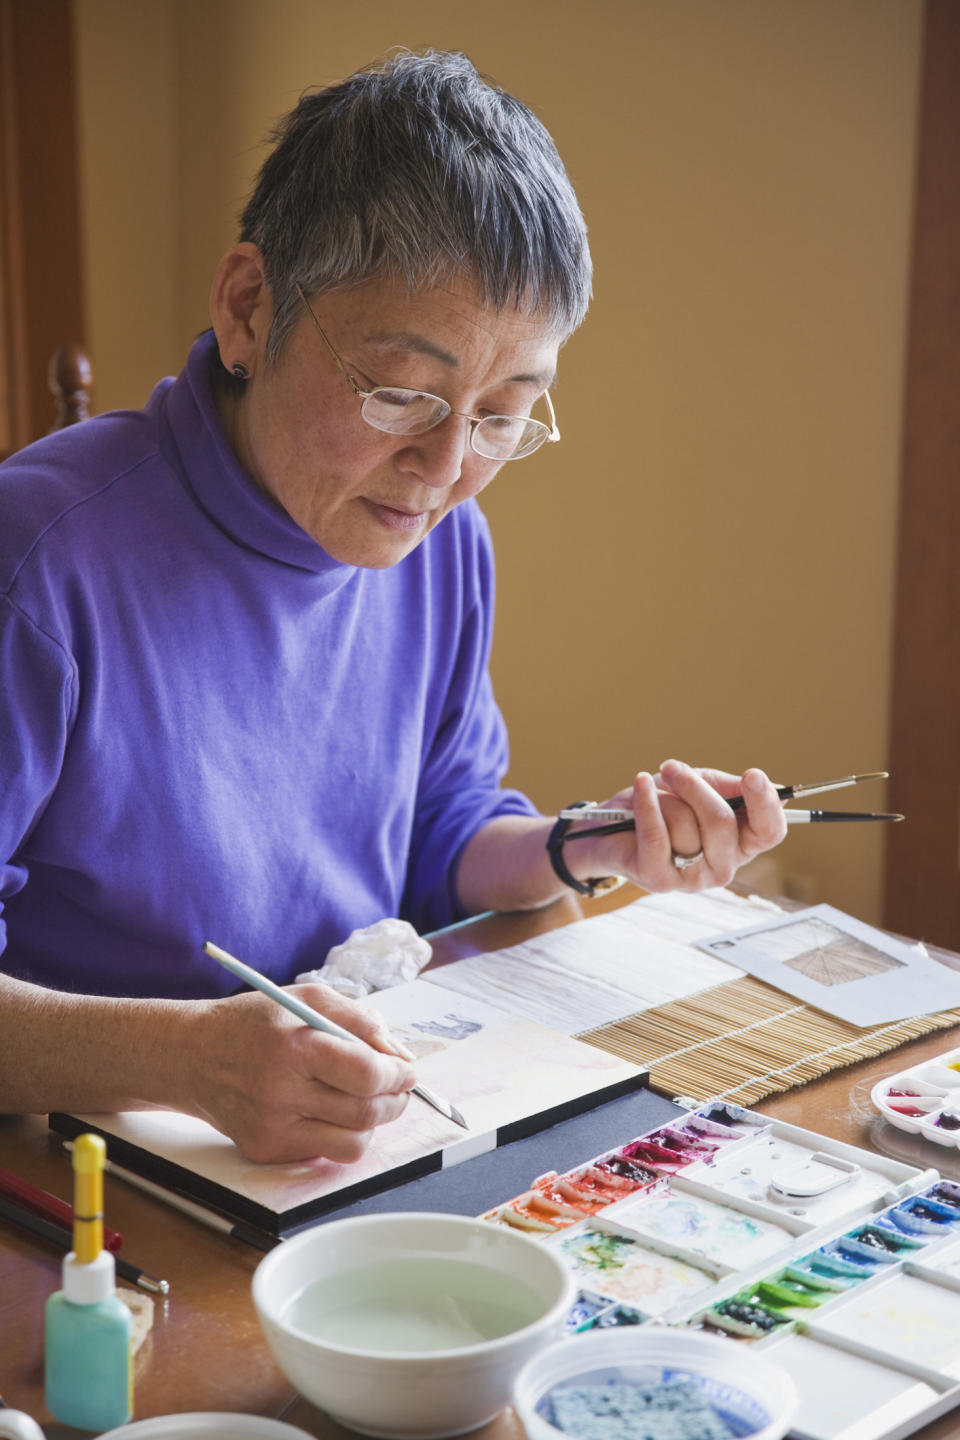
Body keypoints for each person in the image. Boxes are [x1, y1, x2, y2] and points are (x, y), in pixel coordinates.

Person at [0, 50, 786, 1164]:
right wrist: (190, 1060)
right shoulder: (39, 565)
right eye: (402, 393)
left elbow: (445, 832)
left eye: (506, 414)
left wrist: (590, 845)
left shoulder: (443, 545)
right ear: (247, 308)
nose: (447, 465)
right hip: (88, 1185)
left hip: (343, 1142)